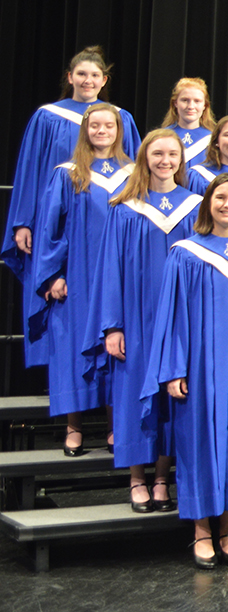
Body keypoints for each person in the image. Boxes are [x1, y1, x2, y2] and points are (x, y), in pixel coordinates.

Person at [143, 173, 228, 569]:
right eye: (220, 198)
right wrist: (174, 369)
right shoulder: (186, 253)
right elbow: (170, 318)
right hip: (201, 369)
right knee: (201, 444)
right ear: (208, 204)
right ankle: (201, 530)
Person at [6, 46, 141, 370]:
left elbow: (137, 170)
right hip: (62, 220)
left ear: (104, 80)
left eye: (94, 75)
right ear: (70, 77)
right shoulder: (48, 117)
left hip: (104, 220)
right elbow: (30, 171)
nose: (87, 80)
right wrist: (24, 222)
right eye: (81, 74)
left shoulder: (120, 118)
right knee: (64, 304)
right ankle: (65, 382)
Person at [96, 129, 201, 513]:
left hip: (181, 320)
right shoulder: (125, 208)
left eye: (172, 154)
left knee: (173, 397)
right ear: (145, 158)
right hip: (137, 320)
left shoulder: (195, 206)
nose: (165, 161)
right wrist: (112, 326)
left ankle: (162, 477)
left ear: (181, 160)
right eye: (158, 154)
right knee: (134, 396)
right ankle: (136, 478)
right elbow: (109, 271)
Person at [32, 103, 134, 456]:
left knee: (115, 350)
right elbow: (50, 230)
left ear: (119, 130)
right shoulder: (69, 173)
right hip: (77, 276)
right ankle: (73, 427)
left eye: (109, 125)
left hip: (119, 279)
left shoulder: (134, 173)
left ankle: (113, 425)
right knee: (72, 348)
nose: (101, 131)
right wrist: (53, 275)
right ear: (85, 130)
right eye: (95, 126)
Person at [160, 77, 216, 169]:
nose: (191, 106)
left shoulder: (214, 140)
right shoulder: (162, 137)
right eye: (185, 100)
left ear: (204, 105)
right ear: (175, 103)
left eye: (197, 101)